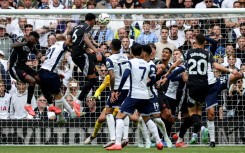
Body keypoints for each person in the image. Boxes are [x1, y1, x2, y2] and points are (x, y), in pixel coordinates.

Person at [106, 44, 163, 150]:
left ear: (131, 52)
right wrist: (145, 86)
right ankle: (159, 142)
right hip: (145, 95)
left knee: (119, 117)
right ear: (141, 51)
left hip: (134, 95)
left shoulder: (130, 62)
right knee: (147, 118)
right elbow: (154, 79)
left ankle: (118, 143)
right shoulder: (147, 64)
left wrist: (118, 90)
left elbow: (125, 75)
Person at [67, 13, 106, 105]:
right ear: (92, 20)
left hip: (78, 54)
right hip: (80, 55)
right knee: (93, 79)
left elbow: (68, 42)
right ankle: (78, 102)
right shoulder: (88, 27)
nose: (95, 23)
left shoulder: (76, 27)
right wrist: (95, 49)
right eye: (95, 21)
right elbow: (85, 39)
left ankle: (111, 71)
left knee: (101, 57)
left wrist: (83, 48)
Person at [38, 35, 77, 120]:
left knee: (56, 95)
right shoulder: (62, 45)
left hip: (42, 72)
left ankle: (67, 114)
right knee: (58, 95)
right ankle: (67, 115)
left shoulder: (52, 47)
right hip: (49, 74)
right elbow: (67, 43)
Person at [8, 31, 41, 116]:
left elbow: (37, 52)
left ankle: (47, 100)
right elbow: (13, 45)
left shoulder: (32, 46)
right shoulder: (21, 39)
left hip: (23, 66)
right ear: (29, 37)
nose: (33, 41)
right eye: (32, 38)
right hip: (14, 67)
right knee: (32, 80)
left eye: (35, 40)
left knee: (39, 78)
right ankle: (28, 104)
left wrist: (39, 54)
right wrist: (26, 43)